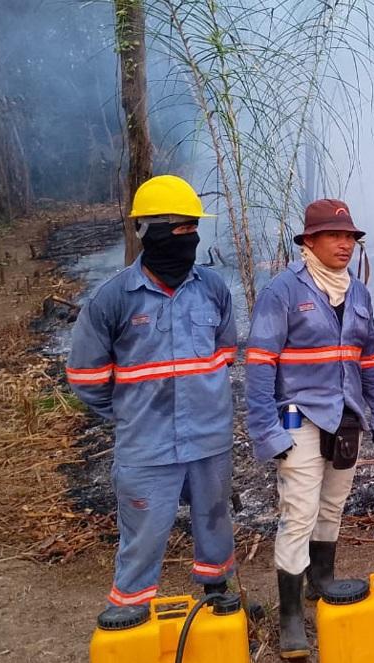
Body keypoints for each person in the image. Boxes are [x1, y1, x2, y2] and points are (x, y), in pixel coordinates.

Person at [66, 174, 239, 613]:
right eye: (180, 227)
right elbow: (86, 378)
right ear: (146, 230)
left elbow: (225, 355)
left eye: (193, 227)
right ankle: (132, 611)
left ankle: (218, 598)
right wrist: (132, 412)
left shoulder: (213, 289)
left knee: (215, 523)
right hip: (146, 446)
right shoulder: (113, 299)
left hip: (210, 440)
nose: (190, 237)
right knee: (143, 534)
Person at [245, 199, 374, 659]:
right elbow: (260, 364)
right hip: (298, 417)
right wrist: (267, 432)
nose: (344, 244)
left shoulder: (358, 293)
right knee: (299, 511)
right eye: (335, 236)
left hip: (346, 416)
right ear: (309, 241)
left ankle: (321, 580)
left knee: (332, 505)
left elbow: (372, 360)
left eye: (350, 237)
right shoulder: (283, 291)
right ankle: (291, 617)